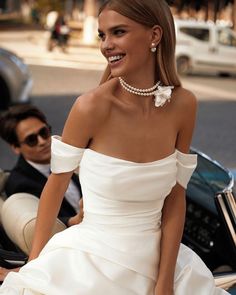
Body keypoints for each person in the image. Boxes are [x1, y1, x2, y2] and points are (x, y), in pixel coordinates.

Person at [0, 1, 229, 294]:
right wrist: (33, 267)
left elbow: (176, 197)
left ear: (155, 36)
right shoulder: (91, 106)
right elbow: (54, 189)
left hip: (166, 263)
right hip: (90, 261)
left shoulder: (184, 104)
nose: (107, 45)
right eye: (102, 35)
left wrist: (164, 282)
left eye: (118, 32)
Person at [0, 104, 82, 227]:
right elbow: (35, 225)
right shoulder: (19, 184)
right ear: (16, 147)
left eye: (43, 132)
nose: (42, 141)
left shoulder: (66, 156)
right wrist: (73, 221)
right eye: (31, 140)